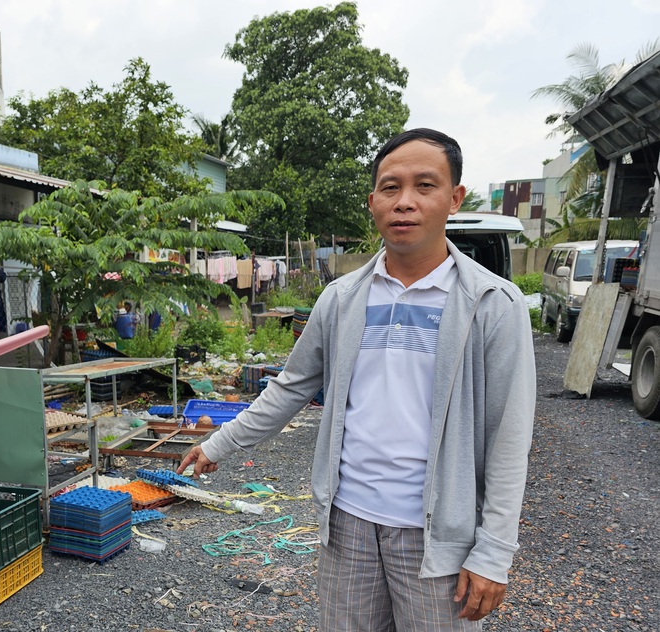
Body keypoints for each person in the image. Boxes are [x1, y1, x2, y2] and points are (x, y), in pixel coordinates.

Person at [178, 128, 536, 631]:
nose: (405, 202)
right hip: (346, 525)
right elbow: (291, 386)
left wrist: (494, 552)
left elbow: (509, 435)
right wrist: (219, 444)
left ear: (454, 198)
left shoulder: (492, 305)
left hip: (436, 535)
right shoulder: (343, 299)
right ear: (373, 202)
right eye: (390, 188)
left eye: (425, 186)